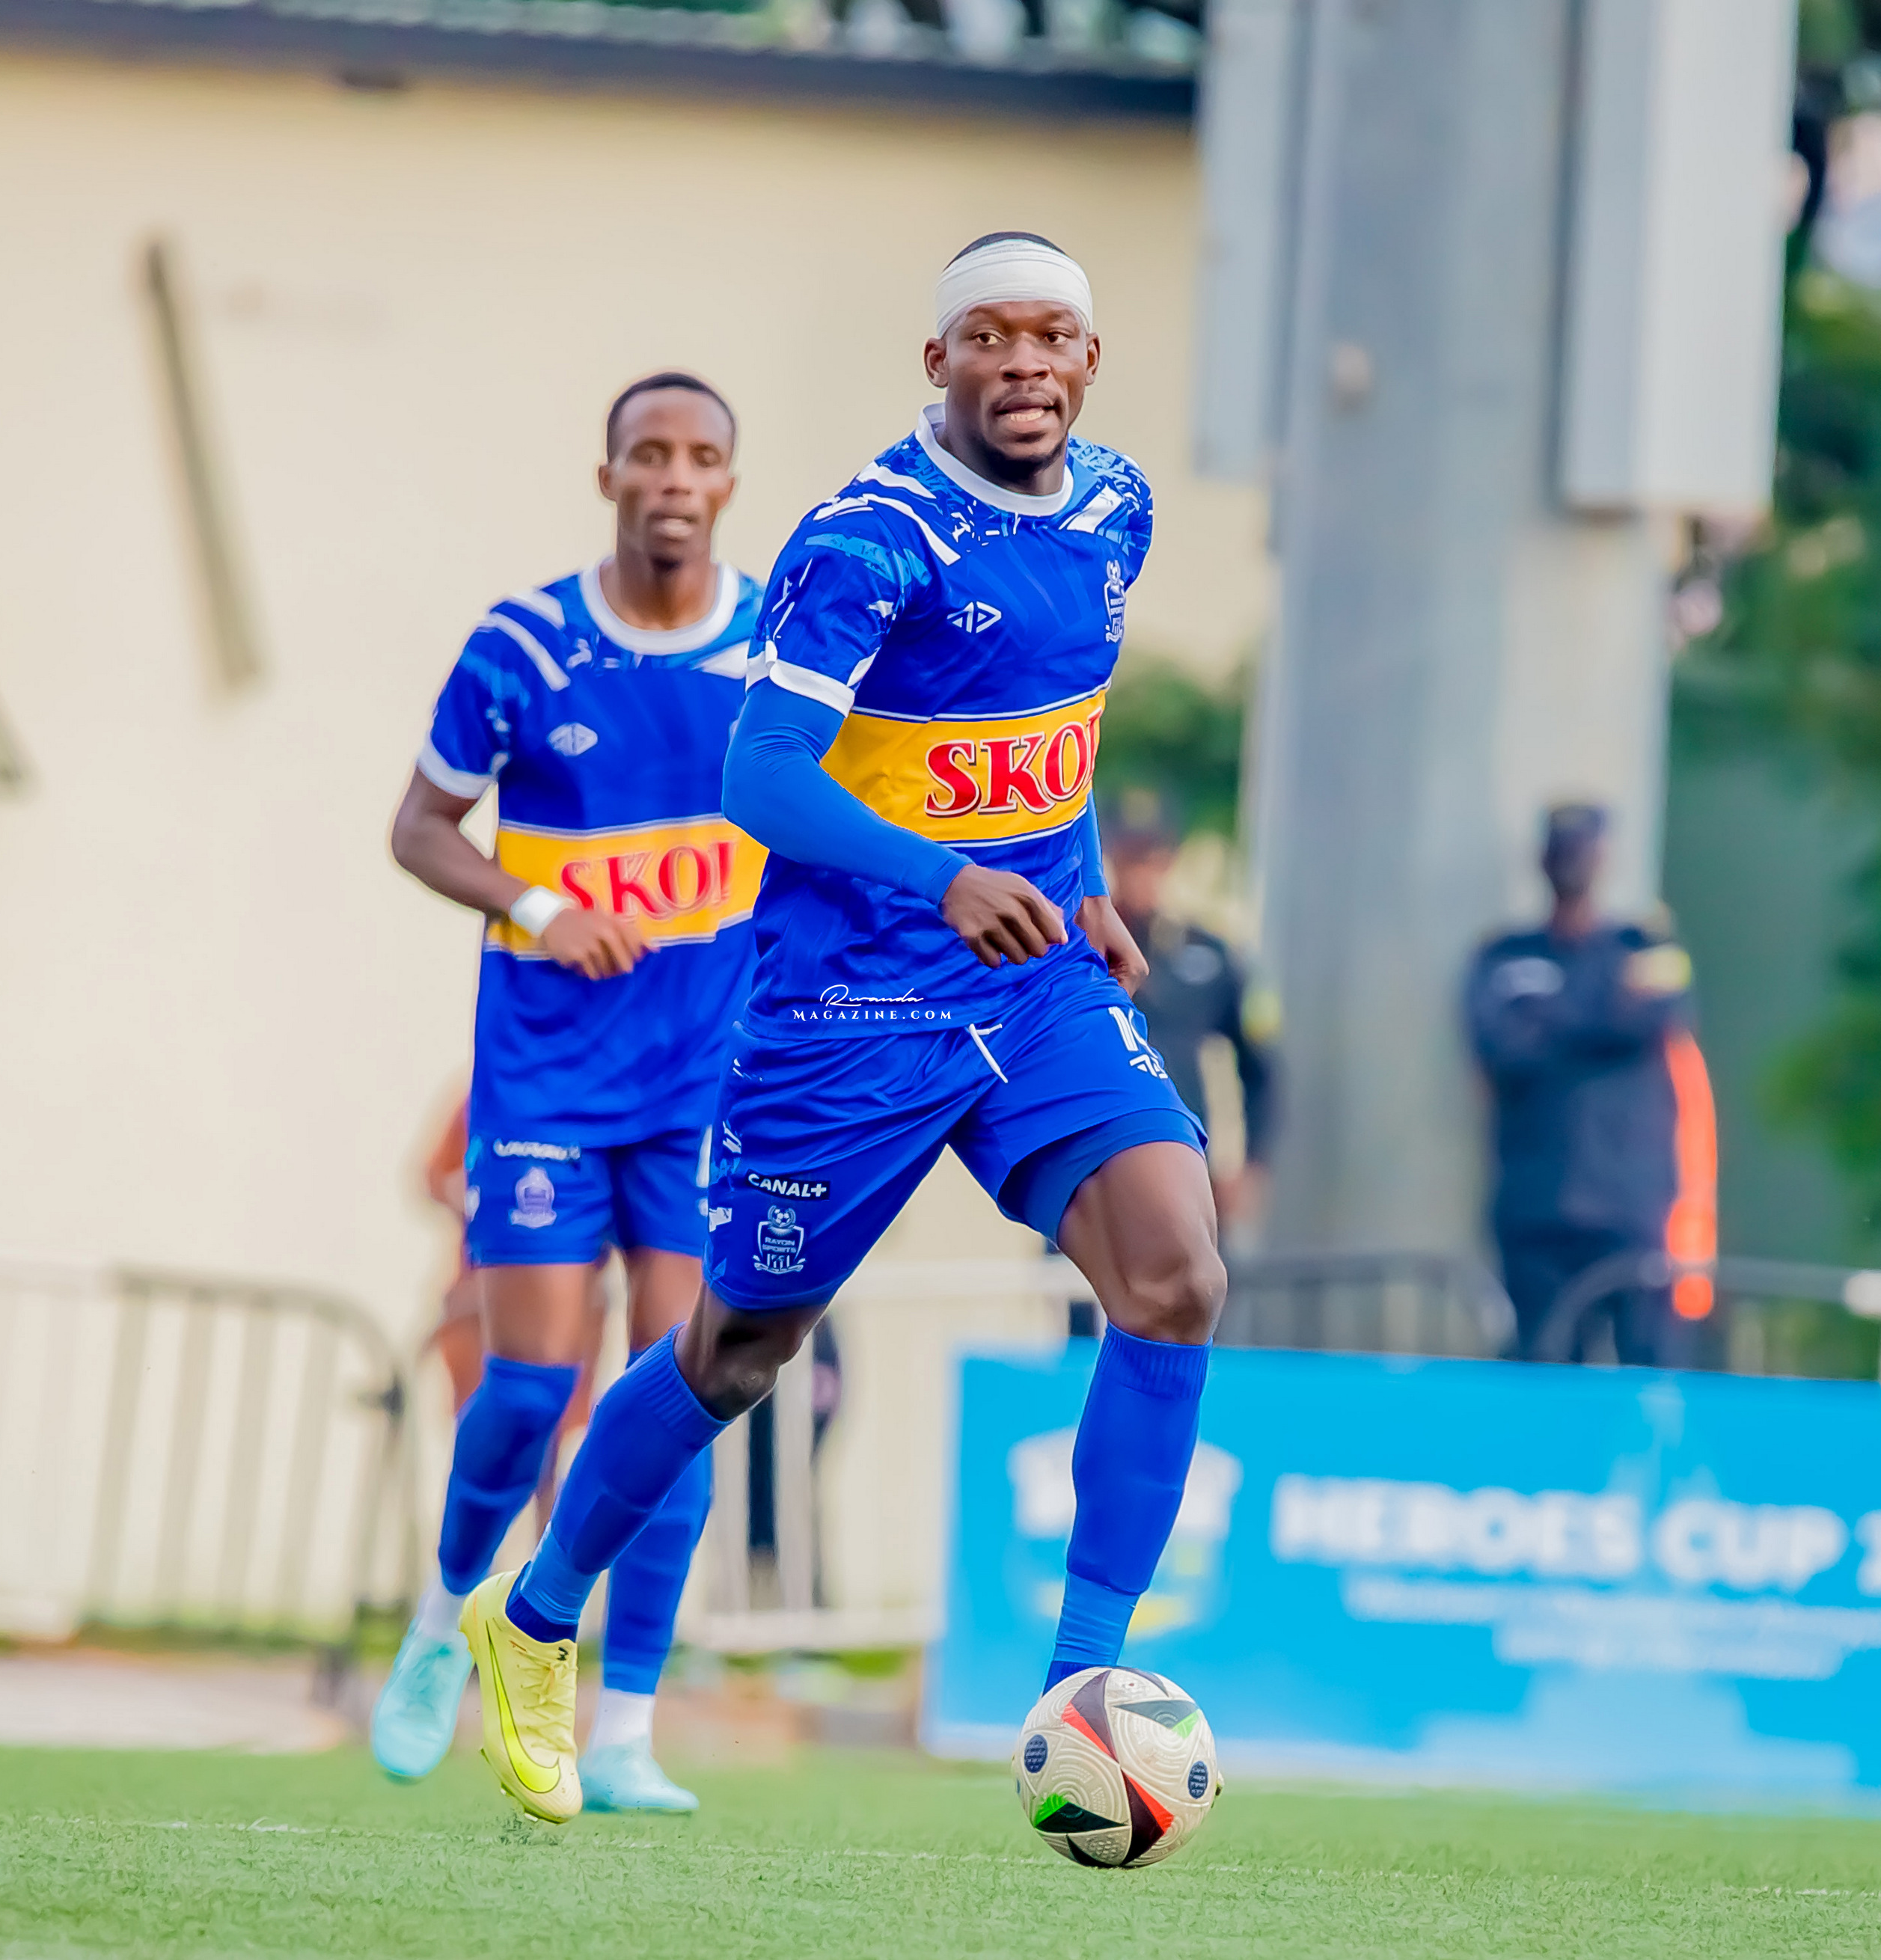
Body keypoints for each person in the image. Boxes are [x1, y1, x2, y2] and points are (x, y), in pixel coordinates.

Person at [453, 233, 1227, 1825]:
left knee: (1176, 1273)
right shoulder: (868, 539)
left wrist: (1079, 885)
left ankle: (1081, 1694)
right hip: (849, 1004)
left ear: (1091, 361)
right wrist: (944, 877)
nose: (1025, 363)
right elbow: (760, 775)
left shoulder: (1116, 509)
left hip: (1033, 978)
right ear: (936, 363)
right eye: (989, 337)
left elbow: (1055, 732)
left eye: (1053, 337)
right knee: (742, 1347)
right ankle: (531, 1617)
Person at [373, 372, 764, 1813]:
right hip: (545, 1071)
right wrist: (539, 909)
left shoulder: (776, 645)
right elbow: (420, 827)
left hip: (701, 1085)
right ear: (608, 478)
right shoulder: (525, 646)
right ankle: (442, 1622)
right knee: (533, 1388)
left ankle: (625, 1731)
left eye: (702, 456)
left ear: (729, 484)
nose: (675, 477)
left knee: (679, 1393)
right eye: (648, 454)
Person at [1466, 803, 1714, 1366]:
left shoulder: (1646, 946)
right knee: (1543, 1382)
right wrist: (1607, 1009)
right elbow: (1501, 1047)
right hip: (1537, 1212)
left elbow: (1659, 1016)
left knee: (1647, 1379)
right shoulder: (1504, 957)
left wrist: (1549, 1019)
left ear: (1605, 857)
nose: (1571, 862)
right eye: (1562, 849)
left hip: (1633, 1212)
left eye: (1583, 849)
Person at [1104, 796, 1279, 1237]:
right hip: (1096, 1169)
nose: (1140, 875)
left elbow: (1260, 1066)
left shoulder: (1210, 956)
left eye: (1151, 860)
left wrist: (1251, 1163)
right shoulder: (1079, 952)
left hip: (1186, 1162)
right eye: (1129, 859)